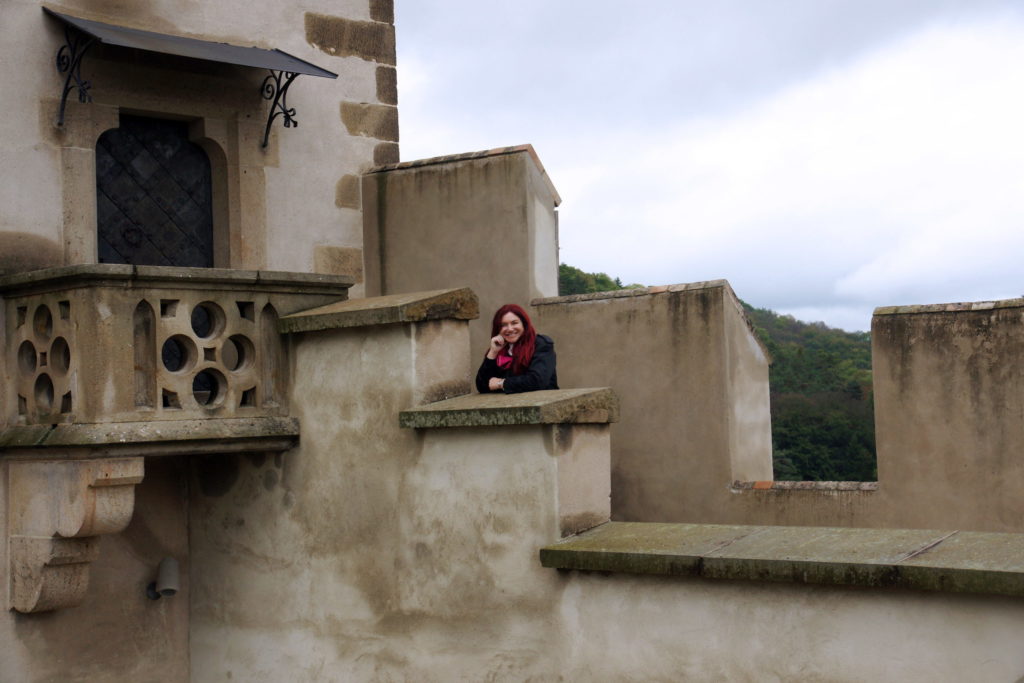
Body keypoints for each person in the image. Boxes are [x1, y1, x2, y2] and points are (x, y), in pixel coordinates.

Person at [475, 303, 558, 394]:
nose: (509, 329)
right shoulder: (499, 349)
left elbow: (537, 381)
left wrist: (501, 383)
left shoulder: (541, 344)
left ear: (524, 324)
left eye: (514, 323)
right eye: (503, 325)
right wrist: (493, 352)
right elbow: (482, 386)